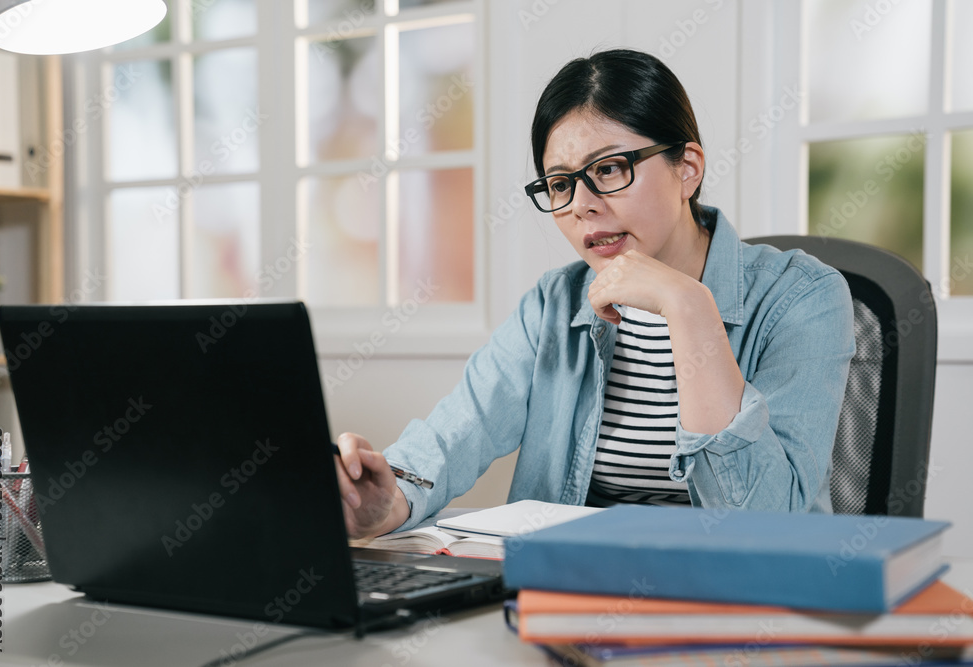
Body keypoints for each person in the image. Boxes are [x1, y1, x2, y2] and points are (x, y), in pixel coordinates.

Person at [333, 49, 855, 539]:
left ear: (687, 169)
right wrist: (387, 498)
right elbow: (452, 438)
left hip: (736, 605)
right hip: (576, 594)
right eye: (560, 184)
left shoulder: (803, 298)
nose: (582, 204)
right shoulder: (553, 304)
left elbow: (765, 527)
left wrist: (688, 307)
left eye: (608, 169)